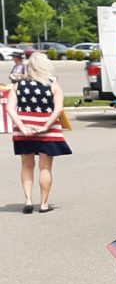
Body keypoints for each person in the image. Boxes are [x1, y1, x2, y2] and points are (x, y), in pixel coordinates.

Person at [6, 53, 68, 213]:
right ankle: (44, 204)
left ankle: (28, 200)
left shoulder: (19, 85)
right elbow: (58, 109)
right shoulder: (53, 83)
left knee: (26, 166)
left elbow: (10, 108)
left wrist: (22, 127)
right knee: (45, 168)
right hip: (48, 132)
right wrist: (45, 126)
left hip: (24, 131)